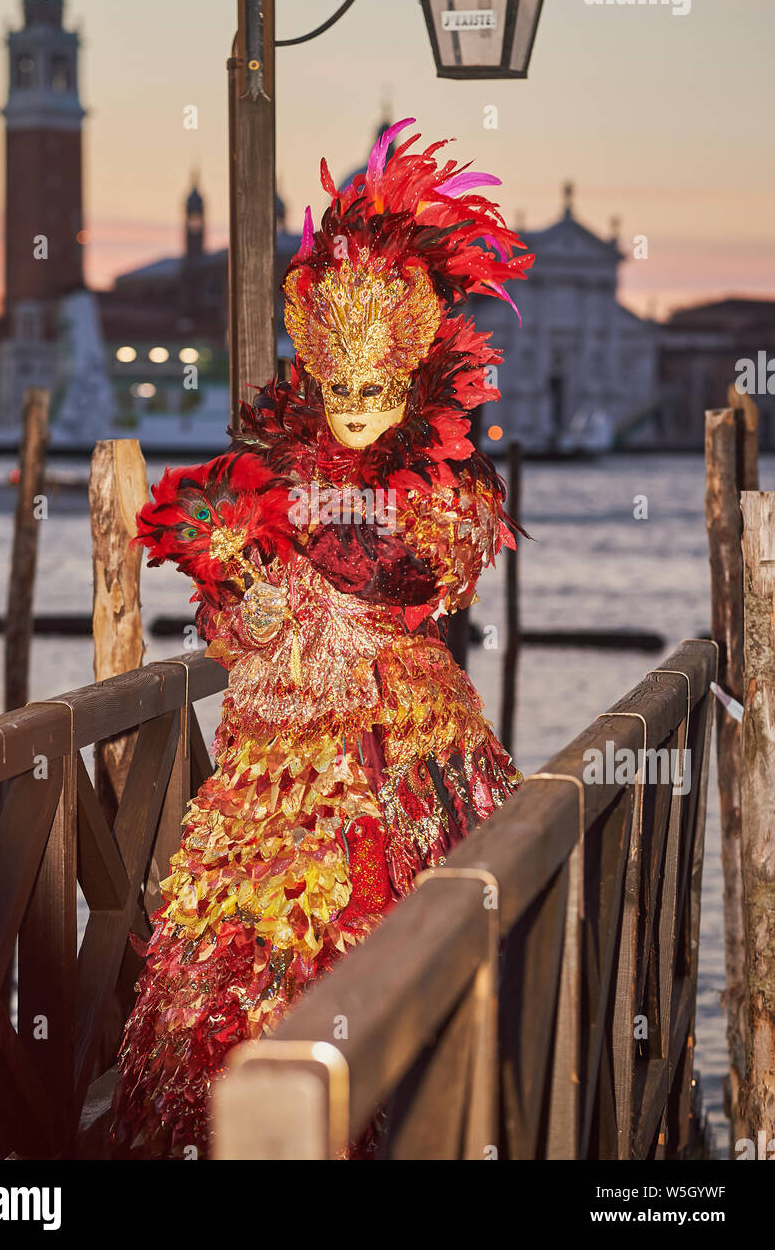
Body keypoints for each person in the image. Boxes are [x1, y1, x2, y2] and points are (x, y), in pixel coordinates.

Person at [112, 117, 533, 1156]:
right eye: (336, 387)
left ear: (416, 371)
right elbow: (233, 622)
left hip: (410, 766)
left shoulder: (444, 483)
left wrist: (289, 562)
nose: (352, 412)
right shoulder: (271, 476)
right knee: (242, 981)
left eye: (376, 389)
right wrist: (238, 592)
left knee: (416, 961)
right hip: (273, 783)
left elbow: (415, 567)